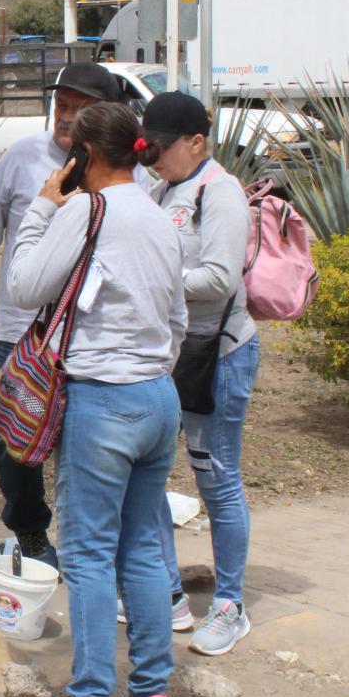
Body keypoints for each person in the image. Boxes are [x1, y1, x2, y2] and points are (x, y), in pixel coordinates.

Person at [5, 101, 187, 697]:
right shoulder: (160, 217)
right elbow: (178, 321)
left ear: (84, 156)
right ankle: (152, 696)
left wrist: (42, 208)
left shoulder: (85, 210)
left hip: (102, 401)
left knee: (85, 556)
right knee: (141, 548)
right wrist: (149, 370)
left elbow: (24, 285)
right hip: (156, 399)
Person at [0, 62, 123, 569]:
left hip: (89, 337)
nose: (65, 118)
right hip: (19, 334)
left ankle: (83, 544)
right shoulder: (25, 157)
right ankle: (29, 531)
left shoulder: (115, 175)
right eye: (61, 106)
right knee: (15, 439)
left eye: (79, 108)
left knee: (82, 444)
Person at [144, 92, 259, 657]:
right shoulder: (161, 187)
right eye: (149, 148)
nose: (154, 157)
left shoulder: (223, 193)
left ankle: (229, 605)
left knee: (217, 480)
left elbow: (217, 277)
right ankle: (167, 596)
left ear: (196, 142)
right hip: (171, 354)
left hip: (219, 355)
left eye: (163, 148)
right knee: (152, 476)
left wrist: (151, 278)